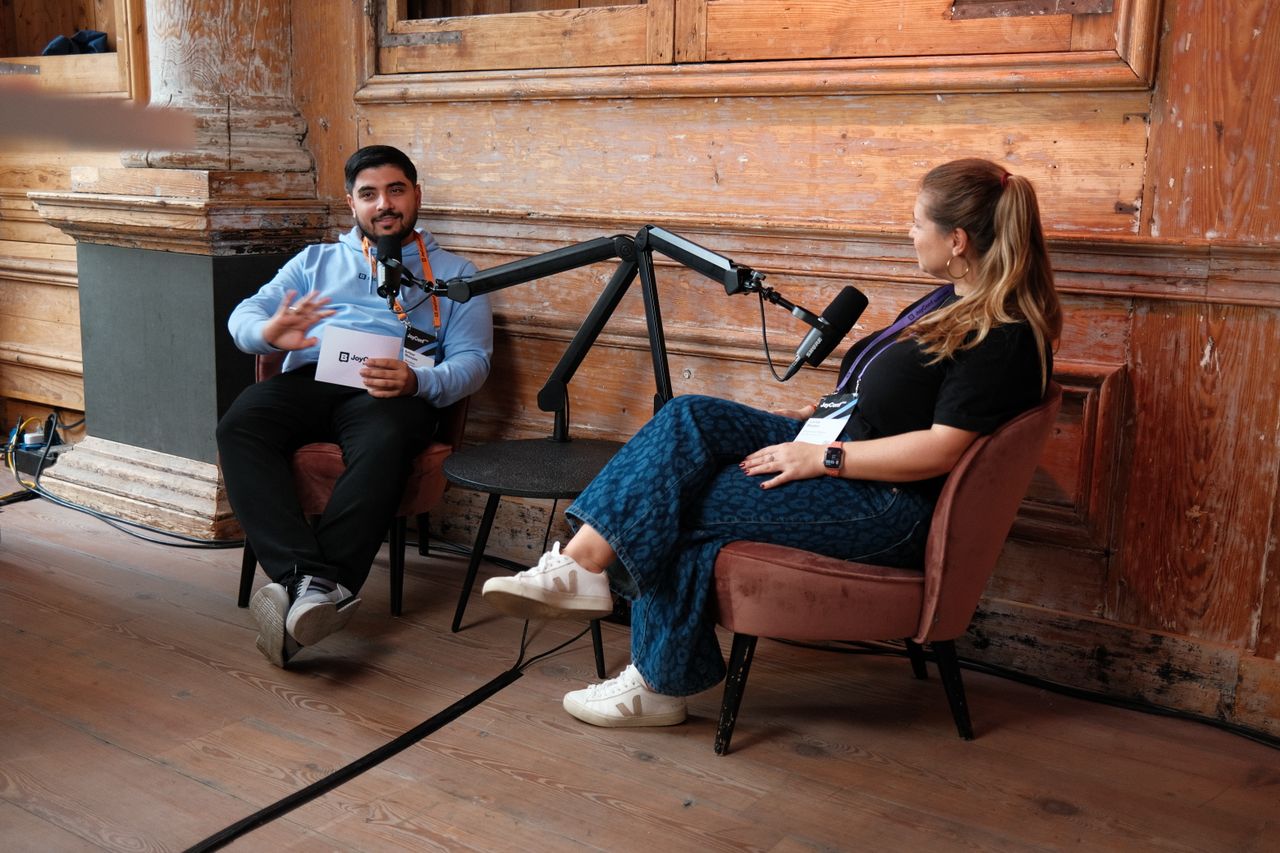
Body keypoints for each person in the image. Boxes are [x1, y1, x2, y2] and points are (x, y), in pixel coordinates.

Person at [481, 157, 1060, 727]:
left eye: (916, 222)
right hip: (846, 443)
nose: (908, 233)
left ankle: (652, 676)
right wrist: (815, 415)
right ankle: (584, 570)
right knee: (692, 416)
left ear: (956, 239)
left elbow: (940, 450)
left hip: (888, 503)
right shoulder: (952, 300)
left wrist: (823, 457)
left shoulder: (1001, 335)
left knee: (684, 501)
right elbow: (907, 396)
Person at [217, 145, 492, 667]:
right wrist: (267, 332)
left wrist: (418, 380)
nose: (383, 204)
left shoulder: (458, 276)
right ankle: (313, 583)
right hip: (312, 380)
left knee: (386, 440)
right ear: (351, 203)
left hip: (393, 392)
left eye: (396, 190)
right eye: (369, 194)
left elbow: (475, 361)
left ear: (416, 194)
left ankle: (312, 589)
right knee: (241, 424)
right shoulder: (316, 261)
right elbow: (245, 314)